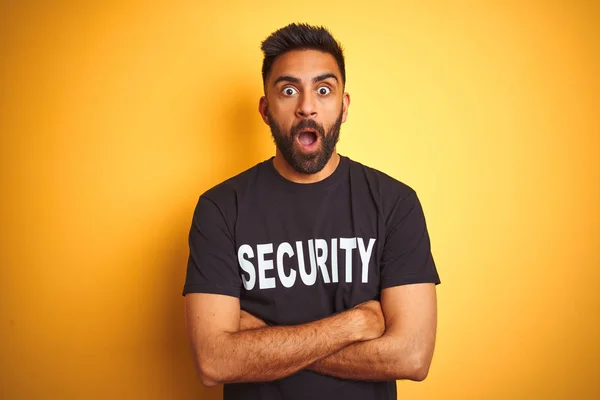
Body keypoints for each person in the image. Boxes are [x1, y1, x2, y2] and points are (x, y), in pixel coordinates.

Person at [182, 22, 441, 400]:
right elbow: (214, 363)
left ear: (344, 106)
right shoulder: (219, 209)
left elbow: (413, 356)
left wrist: (259, 340)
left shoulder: (395, 204)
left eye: (323, 90)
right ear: (266, 109)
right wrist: (354, 324)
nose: (306, 106)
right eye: (289, 90)